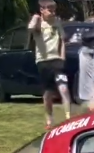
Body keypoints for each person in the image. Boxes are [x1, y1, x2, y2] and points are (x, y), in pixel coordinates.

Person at [29, 0, 71, 130]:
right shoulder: (38, 23)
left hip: (57, 60)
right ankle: (49, 119)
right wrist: (35, 18)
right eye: (50, 10)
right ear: (42, 10)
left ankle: (69, 117)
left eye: (54, 9)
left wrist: (62, 57)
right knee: (48, 94)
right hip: (43, 62)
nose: (53, 12)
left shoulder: (57, 22)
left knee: (63, 88)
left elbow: (62, 40)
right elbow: (30, 28)